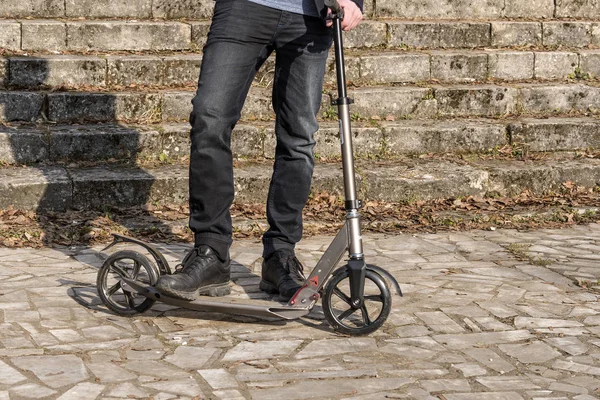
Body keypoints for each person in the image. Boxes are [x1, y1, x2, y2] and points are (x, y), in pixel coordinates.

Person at [155, 0, 363, 302]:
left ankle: (281, 255)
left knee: (299, 136)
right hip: (244, 9)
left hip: (312, 16)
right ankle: (211, 251)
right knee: (209, 119)